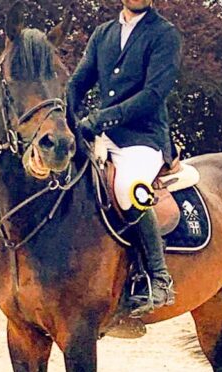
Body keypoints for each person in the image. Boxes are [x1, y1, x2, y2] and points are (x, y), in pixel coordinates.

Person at [67, 0, 182, 316]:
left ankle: (158, 278)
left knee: (129, 190)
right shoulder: (104, 33)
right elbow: (79, 81)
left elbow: (153, 95)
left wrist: (99, 119)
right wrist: (62, 113)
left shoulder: (164, 34)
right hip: (103, 137)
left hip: (143, 139)